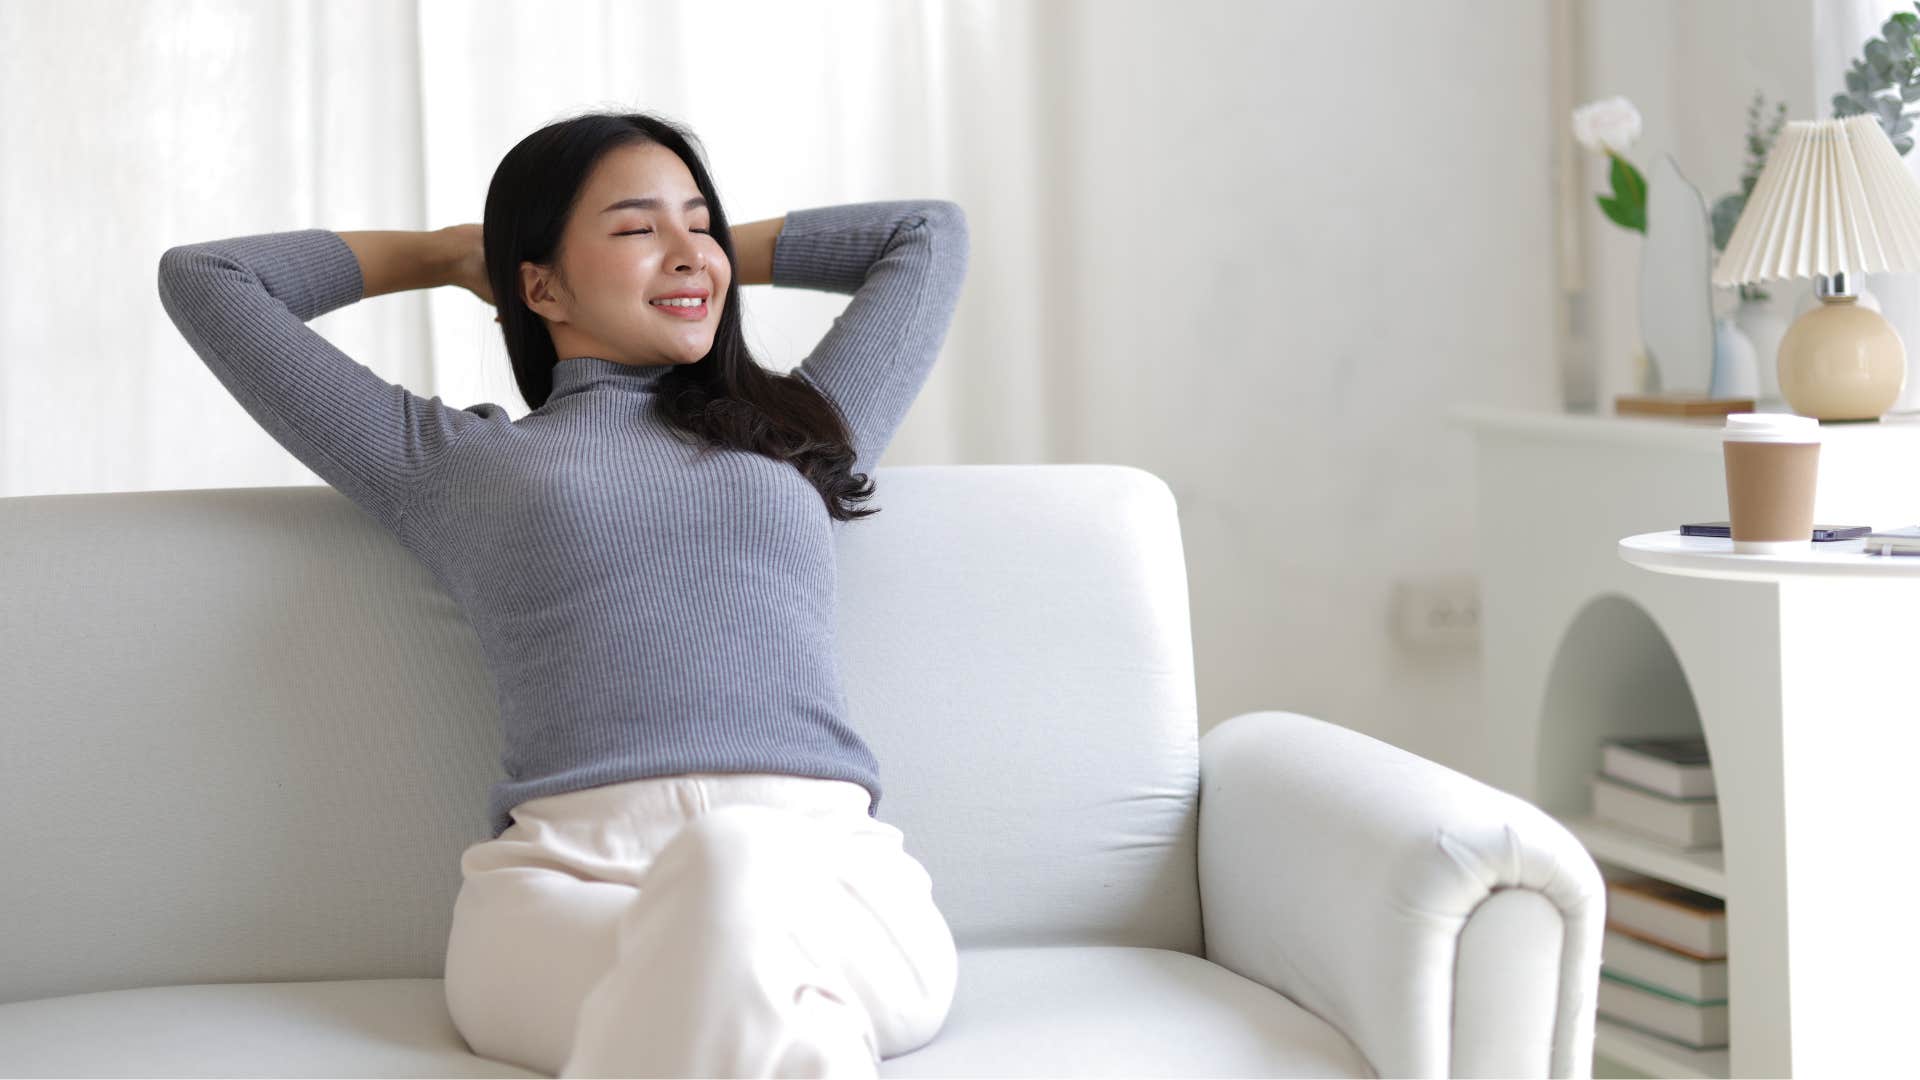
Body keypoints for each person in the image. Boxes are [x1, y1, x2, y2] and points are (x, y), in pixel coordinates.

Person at [154, 109, 970, 1078]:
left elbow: (925, 234)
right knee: (776, 1001)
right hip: (563, 892)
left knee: (732, 864)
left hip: (825, 875)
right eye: (635, 227)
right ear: (536, 283)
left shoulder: (798, 429)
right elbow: (209, 278)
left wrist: (685, 260)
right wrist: (456, 254)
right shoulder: (455, 462)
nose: (689, 251)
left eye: (702, 223)